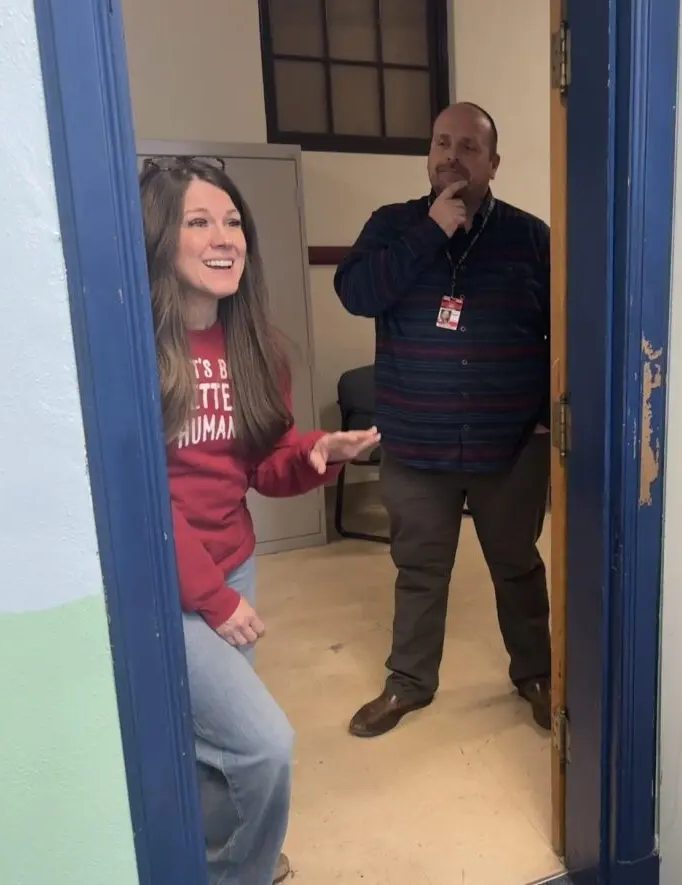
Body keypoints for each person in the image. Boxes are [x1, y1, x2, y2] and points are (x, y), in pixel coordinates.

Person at [139, 157, 381, 884]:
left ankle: (218, 861)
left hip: (230, 561)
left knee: (214, 749)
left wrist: (318, 451)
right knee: (262, 743)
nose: (225, 238)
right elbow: (141, 494)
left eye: (234, 221)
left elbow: (263, 467)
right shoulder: (135, 350)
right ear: (161, 237)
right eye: (199, 221)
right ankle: (238, 870)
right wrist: (213, 595)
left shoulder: (257, 345)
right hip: (167, 582)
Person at [334, 102, 553, 737]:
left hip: (508, 444)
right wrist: (430, 231)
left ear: (493, 163)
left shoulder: (530, 237)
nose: (451, 156)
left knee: (516, 564)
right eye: (441, 142)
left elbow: (560, 335)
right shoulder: (394, 226)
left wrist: (541, 419)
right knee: (420, 568)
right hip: (416, 441)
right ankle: (408, 684)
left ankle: (536, 675)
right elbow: (357, 294)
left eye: (468, 147)